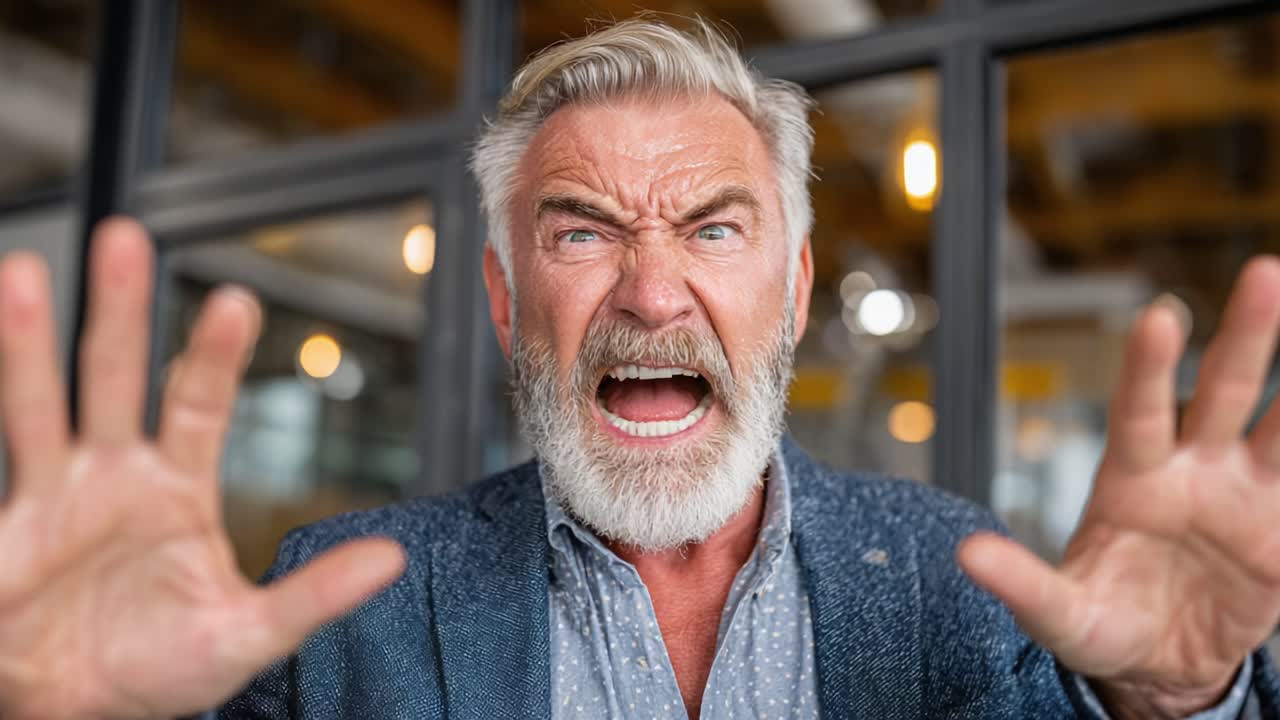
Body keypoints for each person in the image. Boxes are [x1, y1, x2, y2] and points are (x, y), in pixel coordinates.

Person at [1, 18, 1278, 720]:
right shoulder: (342, 610)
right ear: (506, 302)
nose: (653, 292)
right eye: (581, 232)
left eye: (714, 229)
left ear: (789, 288)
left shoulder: (955, 579)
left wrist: (1177, 704)